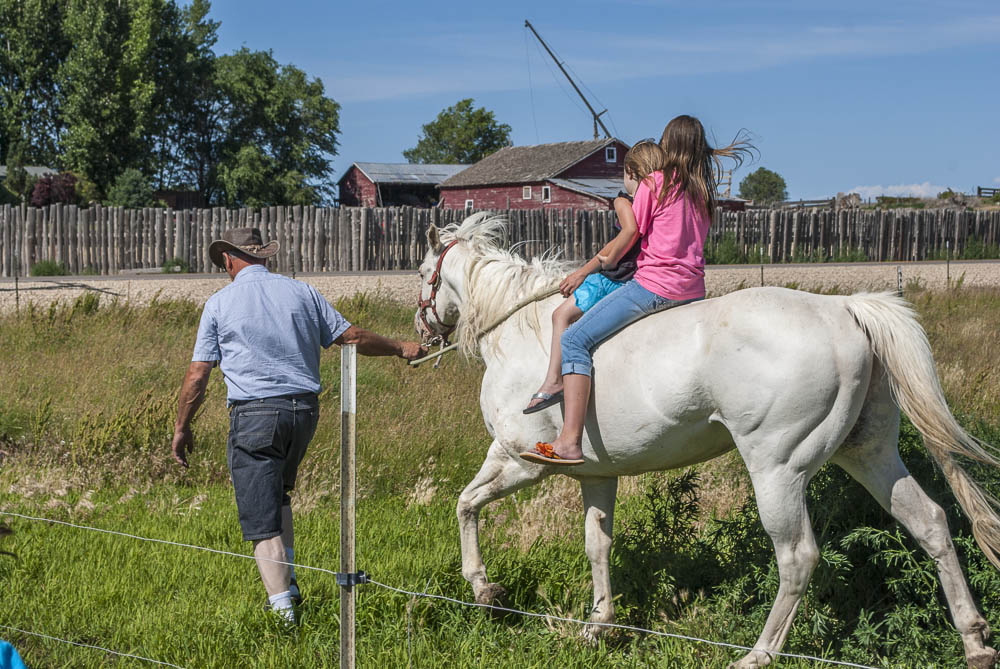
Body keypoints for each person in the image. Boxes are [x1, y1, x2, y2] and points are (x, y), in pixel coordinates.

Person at [170, 228, 426, 624]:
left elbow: (198, 374)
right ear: (265, 258)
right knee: (279, 497)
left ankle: (284, 620)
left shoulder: (219, 303)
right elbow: (351, 337)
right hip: (303, 412)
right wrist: (400, 347)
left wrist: (182, 427)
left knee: (260, 519)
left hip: (254, 413)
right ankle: (289, 587)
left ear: (228, 260)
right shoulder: (302, 292)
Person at [521, 115, 752, 465]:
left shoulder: (656, 183)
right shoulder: (704, 194)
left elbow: (631, 233)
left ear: (668, 145)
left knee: (573, 339)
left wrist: (590, 267)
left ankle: (569, 441)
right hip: (693, 290)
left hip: (655, 287)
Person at [523, 141, 666, 414]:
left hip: (613, 279)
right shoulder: (661, 203)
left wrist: (591, 268)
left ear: (631, 173)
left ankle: (553, 381)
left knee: (560, 316)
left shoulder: (623, 200)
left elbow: (626, 234)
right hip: (643, 277)